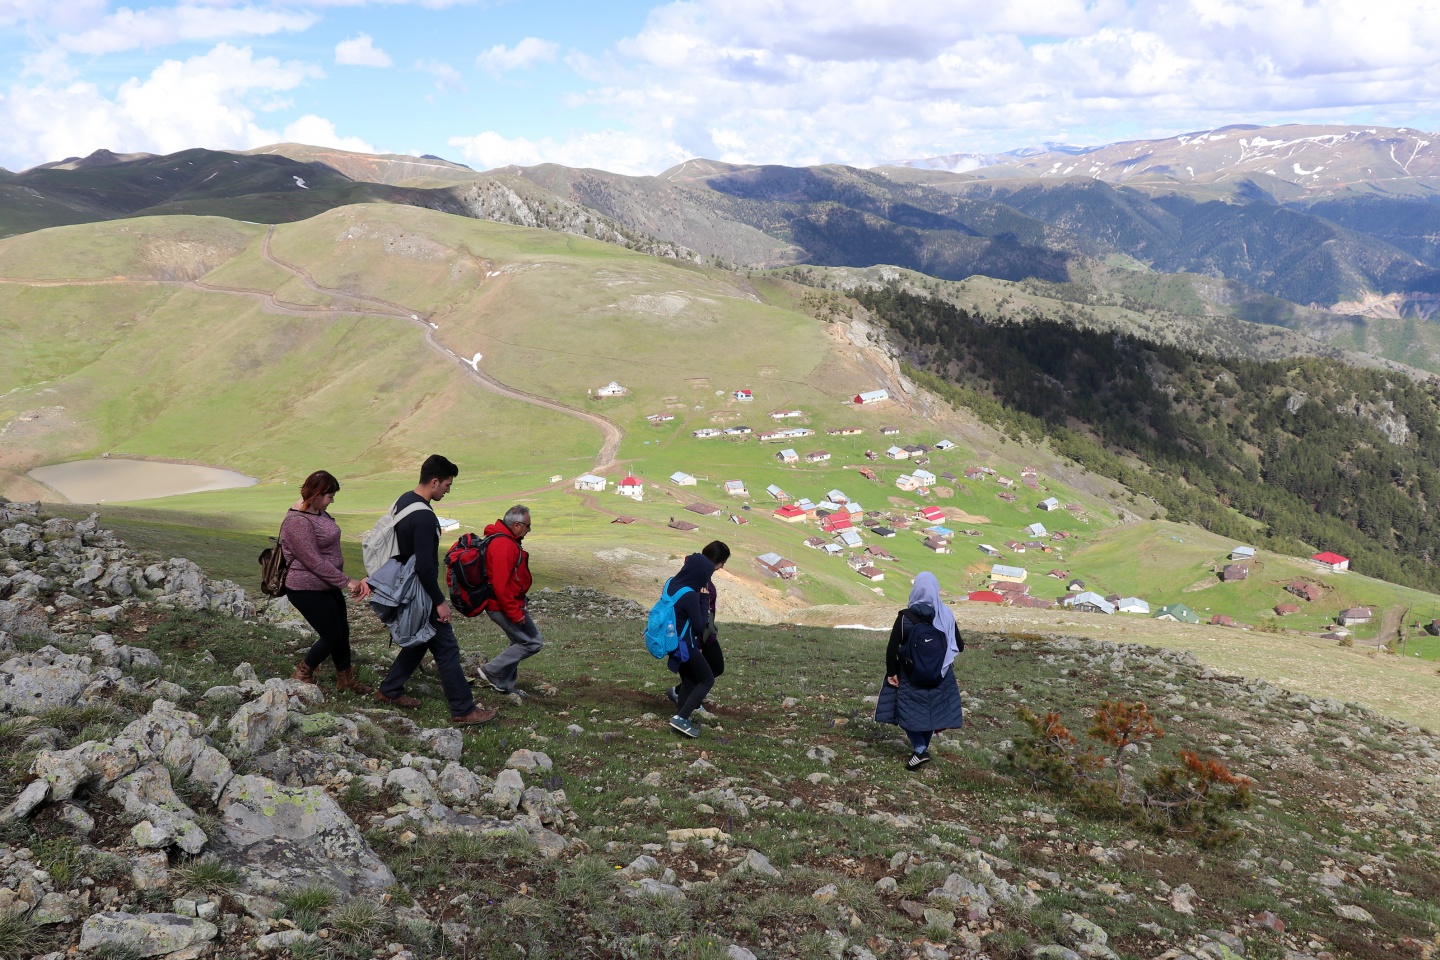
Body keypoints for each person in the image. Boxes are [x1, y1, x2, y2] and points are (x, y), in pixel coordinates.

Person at [375, 455, 496, 726]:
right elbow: (425, 566)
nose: (448, 490)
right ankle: (463, 708)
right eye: (447, 485)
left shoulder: (404, 500)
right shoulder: (425, 517)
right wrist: (438, 601)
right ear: (434, 481)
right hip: (419, 589)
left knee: (421, 641)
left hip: (402, 582)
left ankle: (389, 690)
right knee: (447, 647)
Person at [281, 470, 373, 694]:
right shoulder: (297, 522)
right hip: (306, 588)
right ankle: (302, 673)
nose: (332, 500)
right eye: (330, 496)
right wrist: (346, 581)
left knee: (342, 632)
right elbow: (312, 560)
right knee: (332, 635)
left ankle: (345, 680)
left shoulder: (317, 511)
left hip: (325, 585)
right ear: (317, 494)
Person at [874, 572, 964, 769]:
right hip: (941, 675)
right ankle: (921, 749)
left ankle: (920, 749)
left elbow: (891, 649)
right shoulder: (945, 614)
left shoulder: (905, 617)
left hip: (909, 673)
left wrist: (892, 673)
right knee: (931, 715)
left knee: (905, 713)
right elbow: (960, 645)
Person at [475, 505, 542, 697]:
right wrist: (514, 612)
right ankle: (491, 671)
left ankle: (504, 684)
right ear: (517, 525)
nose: (529, 530)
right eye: (527, 526)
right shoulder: (504, 545)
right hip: (502, 605)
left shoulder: (502, 539)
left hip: (504, 603)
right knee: (533, 642)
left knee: (518, 641)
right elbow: (500, 584)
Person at [660, 549, 722, 738]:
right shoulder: (689, 594)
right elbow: (699, 625)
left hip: (672, 641)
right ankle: (681, 718)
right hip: (686, 644)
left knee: (688, 682)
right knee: (707, 679)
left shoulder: (671, 583)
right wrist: (704, 599)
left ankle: (681, 719)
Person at [667, 540, 728, 717]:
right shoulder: (700, 584)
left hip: (692, 636)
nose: (722, 567)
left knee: (697, 675)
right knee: (709, 674)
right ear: (715, 561)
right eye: (722, 562)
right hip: (694, 637)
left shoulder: (689, 572)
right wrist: (698, 642)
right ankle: (685, 710)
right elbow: (699, 621)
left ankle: (682, 712)